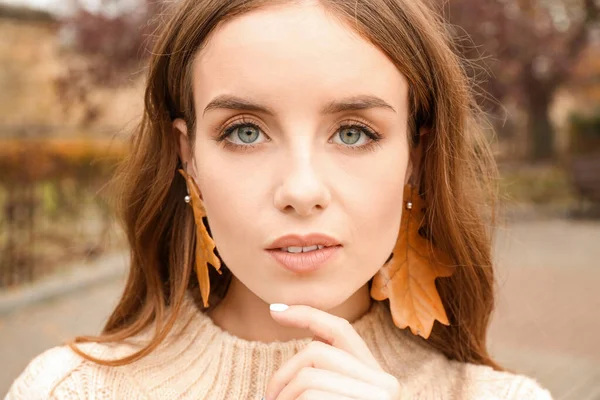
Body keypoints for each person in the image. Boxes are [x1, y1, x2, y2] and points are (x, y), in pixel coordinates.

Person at [5, 0, 553, 399]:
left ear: (416, 153)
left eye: (354, 132)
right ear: (187, 155)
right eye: (245, 131)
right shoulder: (66, 390)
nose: (301, 191)